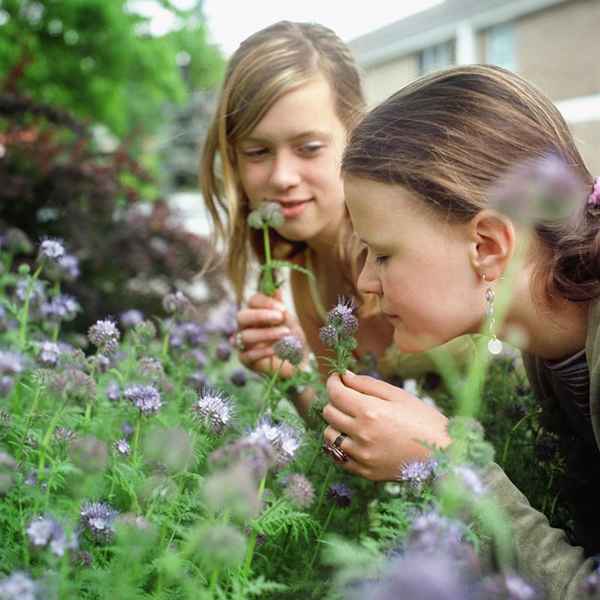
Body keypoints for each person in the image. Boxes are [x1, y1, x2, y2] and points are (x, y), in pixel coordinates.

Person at [322, 64, 600, 599]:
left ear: (488, 247)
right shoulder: (548, 344)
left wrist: (447, 463)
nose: (364, 281)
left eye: (382, 253)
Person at [200, 21, 475, 417]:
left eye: (309, 148)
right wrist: (293, 378)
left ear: (356, 134)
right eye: (257, 152)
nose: (282, 177)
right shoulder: (304, 272)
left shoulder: (415, 241)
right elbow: (355, 449)